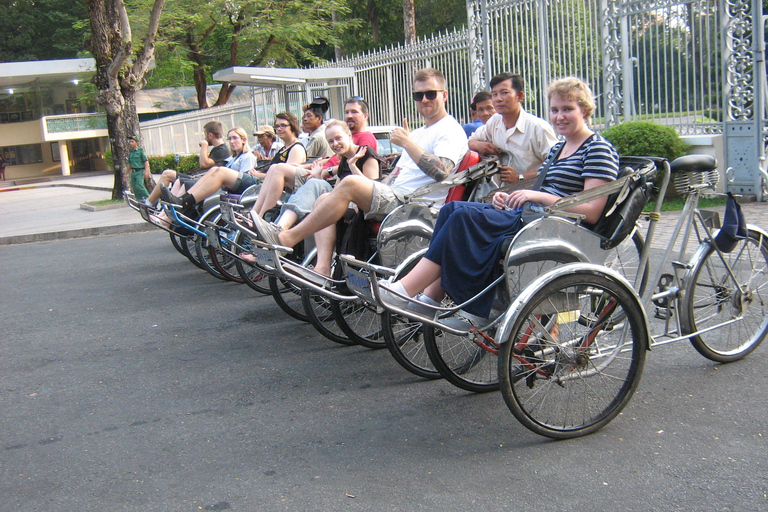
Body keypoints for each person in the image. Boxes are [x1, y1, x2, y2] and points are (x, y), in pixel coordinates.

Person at [380, 77, 619, 322]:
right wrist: (510, 196)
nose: (559, 116)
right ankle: (431, 298)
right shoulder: (560, 148)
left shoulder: (597, 149)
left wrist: (536, 195)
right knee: (452, 209)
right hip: (532, 216)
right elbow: (543, 189)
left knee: (463, 217)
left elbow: (591, 211)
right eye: (555, 110)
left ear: (586, 110)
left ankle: (407, 291)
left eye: (568, 109)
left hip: (557, 227)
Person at [250, 67, 469, 277]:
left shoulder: (449, 130)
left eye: (430, 94)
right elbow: (399, 173)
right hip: (397, 194)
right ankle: (322, 268)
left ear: (444, 95)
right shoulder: (421, 131)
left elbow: (442, 171)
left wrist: (406, 143)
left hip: (417, 204)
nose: (424, 100)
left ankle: (287, 238)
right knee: (324, 197)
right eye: (418, 95)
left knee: (350, 182)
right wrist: (377, 186)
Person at [268, 120, 380, 232]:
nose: (335, 144)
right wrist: (318, 177)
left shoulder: (365, 153)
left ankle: (279, 229)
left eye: (338, 138)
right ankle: (278, 227)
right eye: (330, 141)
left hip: (361, 205)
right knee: (314, 183)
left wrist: (353, 166)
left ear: (349, 136)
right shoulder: (344, 159)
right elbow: (337, 191)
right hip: (343, 201)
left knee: (317, 189)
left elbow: (373, 192)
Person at [249, 101, 333, 218]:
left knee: (278, 169)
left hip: (313, 180)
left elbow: (287, 173)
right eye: (277, 126)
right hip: (309, 173)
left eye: (283, 125)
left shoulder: (310, 141)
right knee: (274, 167)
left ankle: (261, 216)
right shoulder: (289, 145)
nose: (279, 129)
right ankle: (253, 214)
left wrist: (258, 175)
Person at [469, 72, 558, 184]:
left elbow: (557, 166)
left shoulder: (538, 128)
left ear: (519, 96)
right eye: (494, 94)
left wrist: (521, 177)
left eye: (504, 93)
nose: (498, 99)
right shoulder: (494, 121)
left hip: (534, 196)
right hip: (500, 196)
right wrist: (479, 145)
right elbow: (470, 141)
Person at [160, 126, 259, 218]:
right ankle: (179, 203)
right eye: (230, 139)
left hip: (241, 188)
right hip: (227, 185)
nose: (232, 141)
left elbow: (245, 177)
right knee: (213, 170)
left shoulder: (248, 156)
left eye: (235, 138)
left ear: (244, 140)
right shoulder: (233, 158)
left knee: (219, 171)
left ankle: (184, 203)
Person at [145, 121, 229, 205]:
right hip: (197, 178)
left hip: (198, 180)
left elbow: (204, 164)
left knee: (167, 174)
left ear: (210, 135)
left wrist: (204, 145)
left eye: (205, 134)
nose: (205, 138)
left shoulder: (222, 150)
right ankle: (153, 203)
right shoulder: (218, 149)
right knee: (167, 175)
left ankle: (148, 203)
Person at [127, 135, 151, 201]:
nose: (130, 143)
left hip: (140, 171)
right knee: (135, 188)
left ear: (136, 142)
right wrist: (126, 174)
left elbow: (146, 161)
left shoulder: (141, 151)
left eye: (132, 142)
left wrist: (146, 171)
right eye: (130, 142)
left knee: (139, 186)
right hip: (133, 172)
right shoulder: (131, 153)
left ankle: (149, 199)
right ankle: (140, 200)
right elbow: (129, 164)